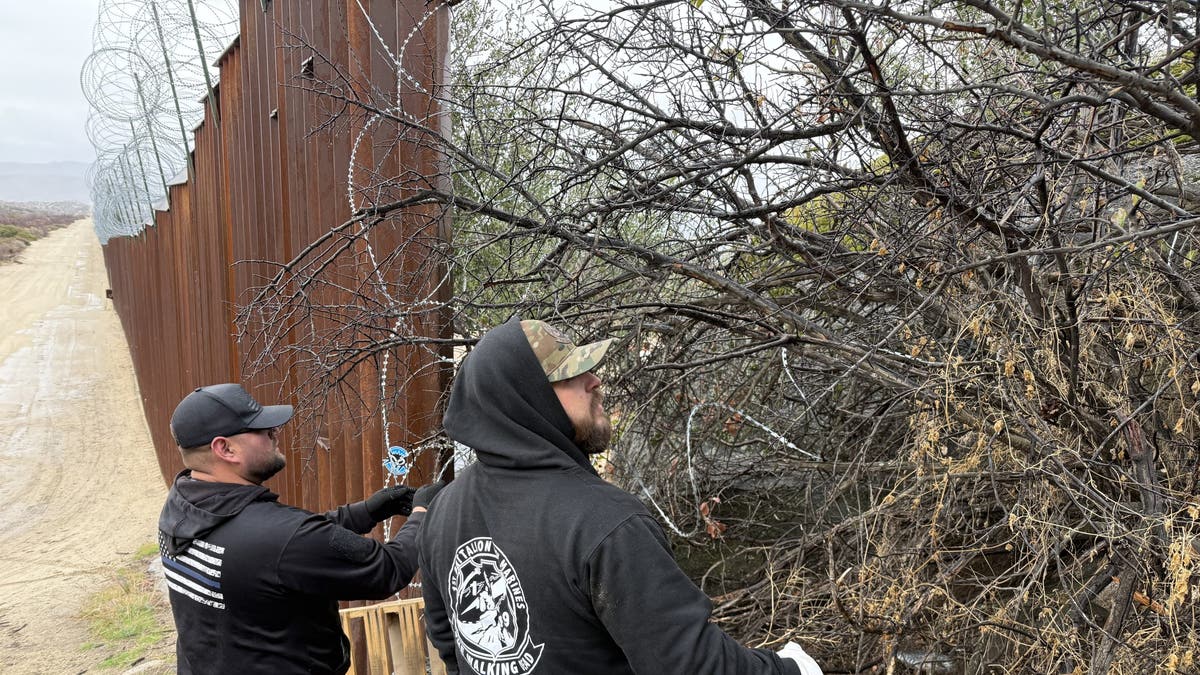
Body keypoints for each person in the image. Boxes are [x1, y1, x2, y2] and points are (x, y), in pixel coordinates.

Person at [418, 318, 821, 674]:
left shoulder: (440, 514)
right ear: (527, 398)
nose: (595, 381)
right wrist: (791, 669)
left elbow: (453, 648)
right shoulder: (604, 523)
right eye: (571, 374)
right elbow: (693, 665)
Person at [157, 382, 443, 674]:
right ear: (225, 448)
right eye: (261, 430)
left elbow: (284, 548)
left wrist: (368, 511)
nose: (274, 433)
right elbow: (386, 569)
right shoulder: (277, 537)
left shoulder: (181, 507)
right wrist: (424, 512)